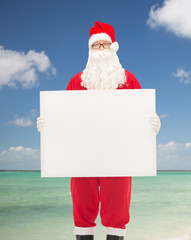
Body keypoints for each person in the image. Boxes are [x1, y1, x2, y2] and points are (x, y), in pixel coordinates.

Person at [37, 21, 161, 240]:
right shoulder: (77, 82)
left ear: (113, 48)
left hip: (119, 158)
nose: (102, 50)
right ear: (90, 50)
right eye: (97, 46)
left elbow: (142, 116)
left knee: (117, 210)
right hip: (82, 157)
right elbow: (62, 118)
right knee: (82, 208)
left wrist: (152, 125)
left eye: (105, 45)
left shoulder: (129, 80)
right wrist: (48, 126)